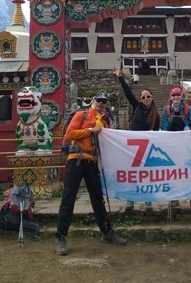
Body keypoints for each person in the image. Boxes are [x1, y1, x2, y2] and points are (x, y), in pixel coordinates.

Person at [55, 92, 126, 255]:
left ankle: (107, 232)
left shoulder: (105, 122)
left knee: (98, 198)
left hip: (92, 161)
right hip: (76, 159)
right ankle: (61, 237)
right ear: (93, 101)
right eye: (99, 100)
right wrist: (89, 130)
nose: (101, 103)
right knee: (68, 198)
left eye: (104, 101)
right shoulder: (82, 115)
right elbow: (69, 134)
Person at [113, 66, 160, 212]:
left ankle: (148, 202)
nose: (146, 99)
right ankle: (130, 201)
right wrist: (120, 76)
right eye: (143, 97)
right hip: (132, 147)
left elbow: (156, 133)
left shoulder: (156, 115)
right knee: (132, 175)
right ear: (141, 99)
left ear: (152, 98)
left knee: (147, 175)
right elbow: (127, 93)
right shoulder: (137, 106)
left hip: (146, 148)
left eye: (148, 96)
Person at [160, 87, 191, 208]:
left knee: (190, 171)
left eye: (178, 95)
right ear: (170, 97)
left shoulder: (187, 109)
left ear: (181, 96)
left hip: (186, 145)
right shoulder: (166, 110)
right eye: (174, 95)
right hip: (172, 146)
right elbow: (164, 126)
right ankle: (174, 198)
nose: (176, 97)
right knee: (173, 172)